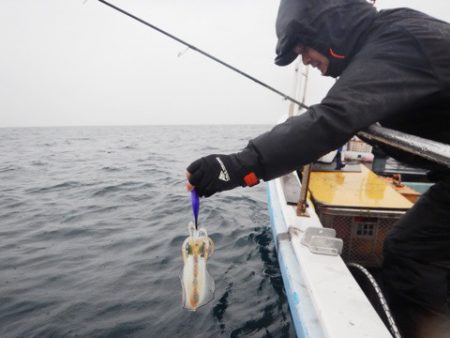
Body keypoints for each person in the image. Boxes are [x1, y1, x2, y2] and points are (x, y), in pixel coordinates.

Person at [186, 0, 450, 337]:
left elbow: (331, 119)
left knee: (412, 253)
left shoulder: (396, 40)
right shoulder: (391, 37)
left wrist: (236, 167)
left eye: (303, 48)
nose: (306, 61)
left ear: (330, 27)